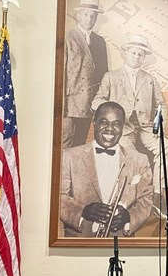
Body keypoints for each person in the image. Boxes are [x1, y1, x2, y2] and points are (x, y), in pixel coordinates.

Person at [91, 34, 168, 215]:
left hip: (146, 127)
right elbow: (97, 100)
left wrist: (159, 126)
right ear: (125, 53)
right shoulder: (111, 77)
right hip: (122, 129)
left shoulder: (149, 79)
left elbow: (160, 105)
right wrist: (109, 113)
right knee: (131, 155)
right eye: (134, 53)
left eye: (141, 55)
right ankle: (133, 198)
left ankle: (158, 194)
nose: (137, 57)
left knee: (166, 147)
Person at [59, 101, 153, 237]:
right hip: (80, 242)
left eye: (116, 124)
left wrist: (128, 218)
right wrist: (83, 211)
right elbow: (59, 198)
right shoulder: (68, 157)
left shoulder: (139, 160)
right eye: (104, 122)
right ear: (94, 123)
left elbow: (146, 199)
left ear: (123, 128)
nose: (110, 129)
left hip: (120, 243)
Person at [62, 0, 108, 148]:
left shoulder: (100, 41)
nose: (89, 18)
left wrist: (101, 102)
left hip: (91, 103)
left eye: (93, 15)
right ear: (78, 15)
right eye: (86, 14)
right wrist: (61, 105)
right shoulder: (67, 37)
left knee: (80, 144)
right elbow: (61, 73)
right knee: (66, 144)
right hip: (71, 103)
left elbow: (104, 74)